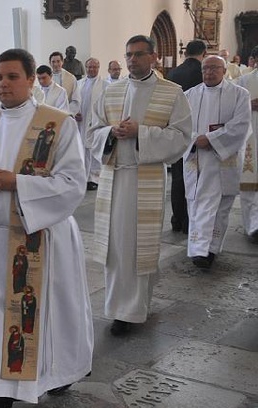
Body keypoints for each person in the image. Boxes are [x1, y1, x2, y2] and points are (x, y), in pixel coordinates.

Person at [0, 48, 93, 408]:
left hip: (42, 240)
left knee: (48, 318)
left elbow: (72, 183)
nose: (3, 84)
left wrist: (18, 183)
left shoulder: (58, 124)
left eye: (12, 77)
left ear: (32, 80)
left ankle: (58, 373)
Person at [89, 35, 192, 336]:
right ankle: (120, 307)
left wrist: (140, 133)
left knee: (137, 246)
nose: (132, 60)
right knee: (117, 248)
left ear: (154, 57)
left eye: (138, 55)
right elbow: (92, 131)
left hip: (144, 177)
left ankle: (132, 311)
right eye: (128, 55)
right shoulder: (112, 91)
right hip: (114, 178)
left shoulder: (172, 93)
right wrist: (111, 132)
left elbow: (182, 136)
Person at [183, 55, 251, 268]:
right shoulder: (188, 96)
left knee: (220, 208)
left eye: (214, 68)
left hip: (223, 159)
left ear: (224, 71)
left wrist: (211, 139)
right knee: (196, 205)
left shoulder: (239, 94)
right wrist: (196, 139)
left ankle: (210, 249)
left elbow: (241, 125)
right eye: (205, 69)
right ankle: (197, 250)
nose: (209, 73)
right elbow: (180, 125)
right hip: (197, 160)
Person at [166, 39, 207, 234]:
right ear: (203, 53)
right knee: (196, 178)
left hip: (175, 131)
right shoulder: (203, 72)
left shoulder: (173, 72)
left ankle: (177, 219)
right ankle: (190, 221)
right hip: (197, 131)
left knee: (178, 176)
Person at [235, 45, 258, 240]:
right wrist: (248, 104)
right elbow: (231, 106)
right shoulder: (243, 81)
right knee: (250, 183)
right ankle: (253, 226)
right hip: (250, 137)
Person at [76, 58, 108, 190]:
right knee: (81, 149)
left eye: (95, 67)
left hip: (96, 122)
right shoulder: (79, 83)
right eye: (89, 67)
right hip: (80, 121)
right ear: (86, 67)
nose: (92, 69)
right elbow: (74, 101)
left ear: (99, 68)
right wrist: (75, 112)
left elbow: (106, 105)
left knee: (92, 150)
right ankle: (82, 176)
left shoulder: (105, 85)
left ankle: (94, 178)